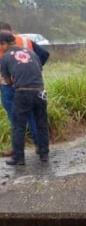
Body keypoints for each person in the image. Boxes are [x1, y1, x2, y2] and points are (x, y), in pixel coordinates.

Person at [0, 32, 50, 165]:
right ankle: (44, 154)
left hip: (23, 92)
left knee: (18, 126)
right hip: (40, 92)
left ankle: (19, 158)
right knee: (41, 124)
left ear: (4, 44)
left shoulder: (5, 58)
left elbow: (8, 81)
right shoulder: (32, 53)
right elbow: (39, 69)